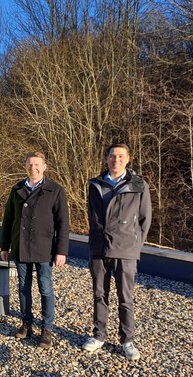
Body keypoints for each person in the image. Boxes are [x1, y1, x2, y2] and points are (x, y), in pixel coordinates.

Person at [83, 143, 152, 360]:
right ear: (106, 159)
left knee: (126, 297)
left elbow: (144, 220)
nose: (116, 160)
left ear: (128, 159)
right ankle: (99, 335)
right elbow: (91, 216)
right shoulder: (94, 184)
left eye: (121, 156)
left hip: (126, 250)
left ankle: (127, 339)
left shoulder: (138, 185)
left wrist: (134, 244)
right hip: (99, 248)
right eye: (112, 156)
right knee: (99, 294)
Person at [0, 151, 69, 348]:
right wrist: (5, 245)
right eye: (30, 164)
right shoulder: (17, 189)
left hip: (44, 249)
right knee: (23, 287)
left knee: (45, 288)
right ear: (25, 166)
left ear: (45, 166)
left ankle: (46, 328)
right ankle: (26, 323)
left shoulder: (55, 190)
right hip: (21, 246)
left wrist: (61, 251)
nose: (33, 168)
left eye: (37, 164)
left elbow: (63, 223)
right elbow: (8, 220)